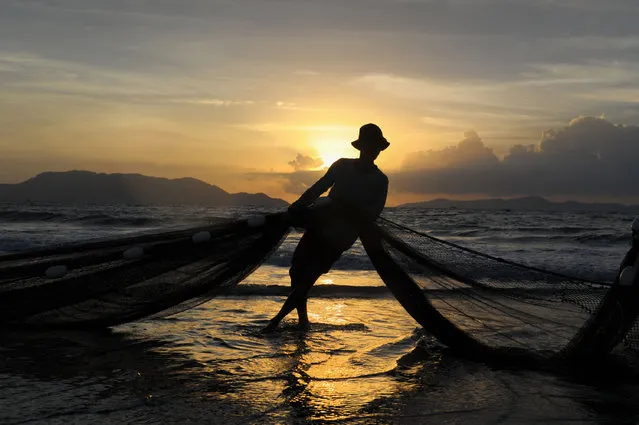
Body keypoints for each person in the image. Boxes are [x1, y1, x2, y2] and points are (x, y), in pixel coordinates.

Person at [262, 123, 390, 332]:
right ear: (361, 147)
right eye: (369, 145)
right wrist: (298, 205)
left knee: (309, 277)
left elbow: (373, 213)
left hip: (341, 237)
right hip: (319, 226)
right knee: (296, 272)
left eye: (376, 146)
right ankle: (303, 321)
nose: (373, 150)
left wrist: (346, 209)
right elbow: (319, 187)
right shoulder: (341, 166)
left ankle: (275, 322)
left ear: (379, 149)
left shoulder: (380, 180)